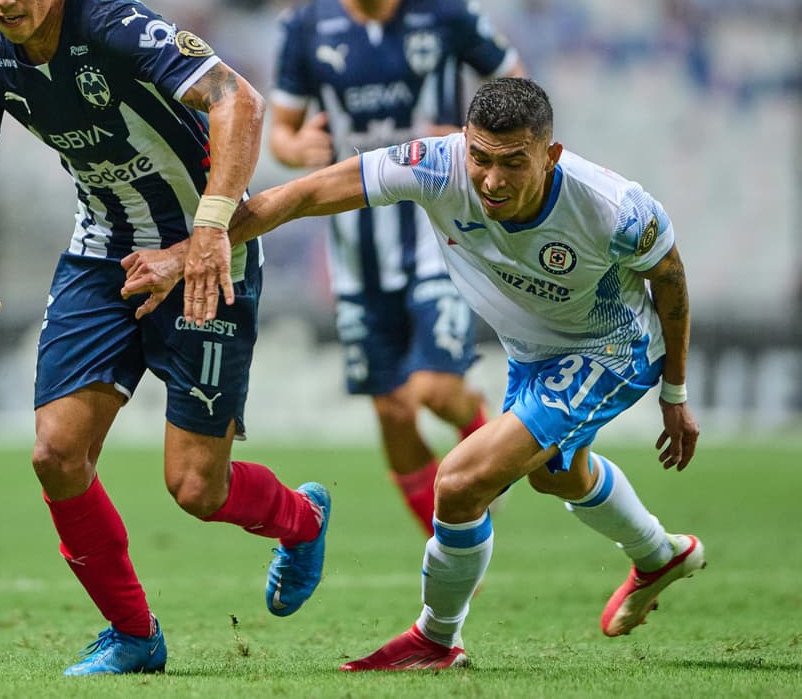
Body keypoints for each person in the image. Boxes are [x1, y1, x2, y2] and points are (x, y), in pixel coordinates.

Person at [123, 77, 704, 670]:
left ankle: (436, 638)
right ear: (464, 144)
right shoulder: (436, 167)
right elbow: (301, 195)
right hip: (534, 353)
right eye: (480, 158)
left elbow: (673, 282)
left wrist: (674, 393)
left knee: (457, 484)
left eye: (513, 163)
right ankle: (660, 554)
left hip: (612, 348)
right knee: (556, 476)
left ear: (550, 155)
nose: (492, 181)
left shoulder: (613, 208)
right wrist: (185, 253)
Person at [0, 0, 331, 677]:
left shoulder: (111, 23)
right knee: (55, 452)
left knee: (195, 487)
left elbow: (238, 100)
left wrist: (212, 229)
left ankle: (302, 520)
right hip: (103, 251)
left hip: (204, 249)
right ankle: (135, 635)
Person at [268, 0, 527, 536]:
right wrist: (302, 150)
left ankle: (493, 457)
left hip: (438, 233)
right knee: (390, 409)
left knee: (434, 389)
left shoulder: (447, 16)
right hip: (355, 245)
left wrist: (472, 134)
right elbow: (283, 131)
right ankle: (451, 541)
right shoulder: (305, 28)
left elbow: (517, 89)